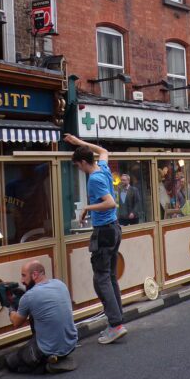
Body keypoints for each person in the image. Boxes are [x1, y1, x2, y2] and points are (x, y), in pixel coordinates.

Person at [64, 133, 127, 344]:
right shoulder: (104, 168)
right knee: (109, 277)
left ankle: (115, 323)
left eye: (77, 165)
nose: (78, 169)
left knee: (100, 279)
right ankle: (116, 321)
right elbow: (104, 151)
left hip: (104, 232)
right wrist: (80, 143)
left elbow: (110, 203)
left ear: (83, 162)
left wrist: (86, 208)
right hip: (114, 229)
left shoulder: (94, 180)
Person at [5, 260, 78, 374]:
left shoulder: (29, 297)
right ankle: (60, 357)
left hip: (47, 349)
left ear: (34, 274)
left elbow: (16, 322)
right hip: (71, 343)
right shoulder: (60, 283)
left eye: (24, 275)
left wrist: (10, 306)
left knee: (10, 362)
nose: (22, 280)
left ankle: (47, 365)